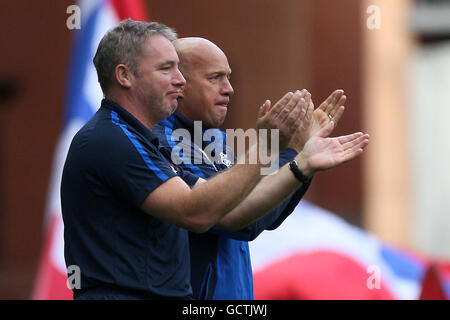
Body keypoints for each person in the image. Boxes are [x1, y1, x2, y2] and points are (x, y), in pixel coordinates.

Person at [61, 19, 369, 300]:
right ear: (125, 75)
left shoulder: (164, 139)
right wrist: (273, 149)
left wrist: (301, 162)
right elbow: (209, 214)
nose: (178, 81)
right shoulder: (116, 139)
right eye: (167, 69)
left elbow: (240, 212)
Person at [153, 37, 355, 299]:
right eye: (215, 78)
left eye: (228, 77)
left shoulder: (217, 141)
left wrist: (300, 155)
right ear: (179, 85)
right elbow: (242, 221)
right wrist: (293, 156)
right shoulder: (161, 142)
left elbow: (263, 216)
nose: (229, 89)